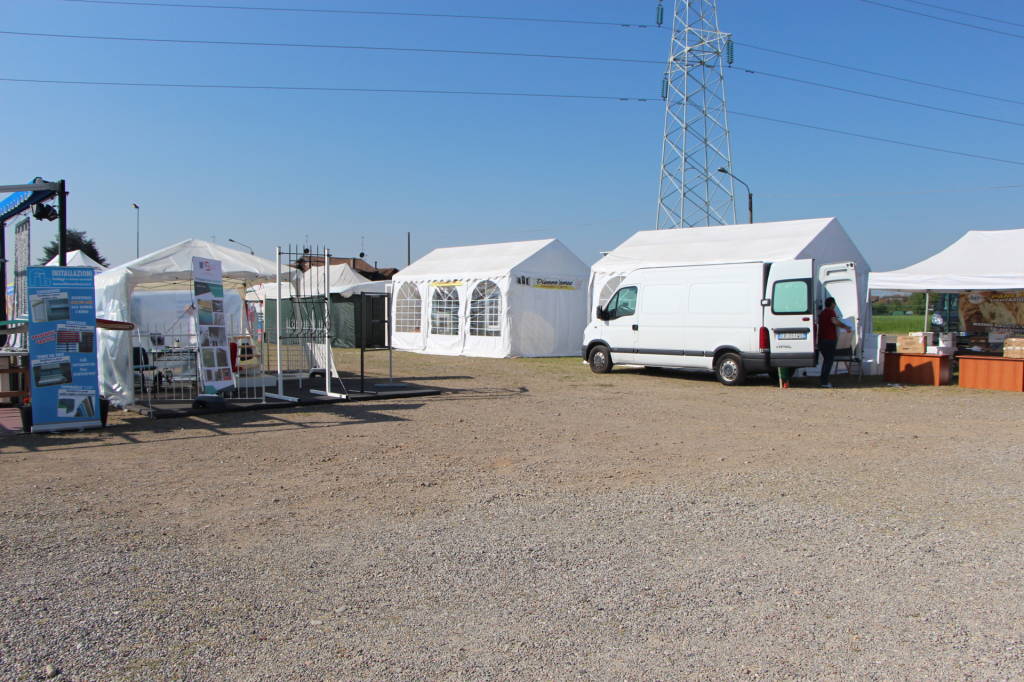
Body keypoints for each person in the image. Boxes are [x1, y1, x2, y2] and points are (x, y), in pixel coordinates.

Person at [818, 297, 851, 388]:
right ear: (832, 304)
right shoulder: (830, 312)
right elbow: (834, 321)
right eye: (834, 303)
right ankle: (824, 382)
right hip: (829, 340)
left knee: (826, 361)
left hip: (821, 340)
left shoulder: (822, 313)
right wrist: (846, 327)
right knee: (828, 361)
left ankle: (823, 380)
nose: (835, 305)